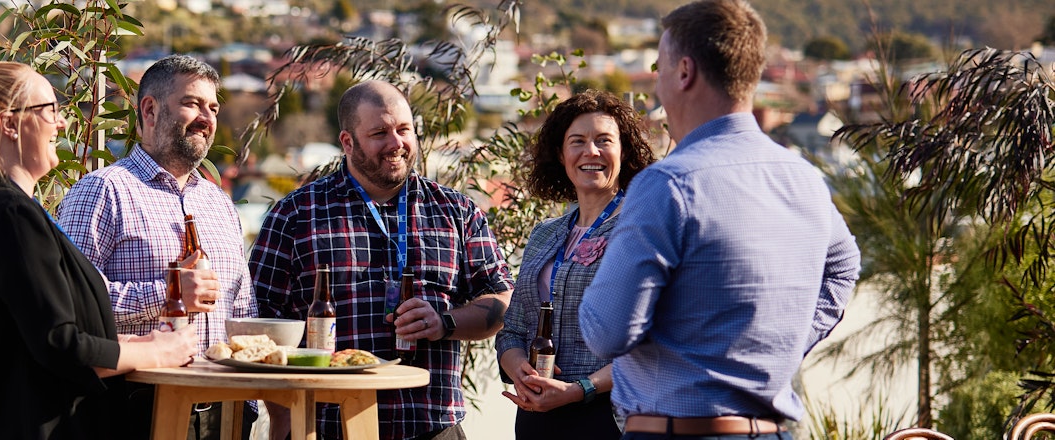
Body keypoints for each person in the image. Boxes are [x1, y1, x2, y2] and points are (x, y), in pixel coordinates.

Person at [577, 1, 862, 439]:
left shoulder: (667, 184)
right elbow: (844, 268)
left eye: (661, 66)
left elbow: (607, 333)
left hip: (678, 431)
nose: (657, 82)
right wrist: (777, 349)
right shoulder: (805, 179)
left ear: (685, 72)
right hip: (771, 432)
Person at [0, 61, 199, 440]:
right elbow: (61, 347)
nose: (61, 124)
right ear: (10, 124)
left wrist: (132, 342)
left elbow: (40, 333)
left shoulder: (10, 210)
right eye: (49, 110)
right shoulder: (10, 214)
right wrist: (160, 352)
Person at [249, 80, 515, 440]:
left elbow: (503, 299)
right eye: (379, 133)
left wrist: (444, 322)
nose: (396, 144)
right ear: (347, 142)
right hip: (324, 429)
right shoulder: (296, 215)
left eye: (404, 130)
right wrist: (285, 419)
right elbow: (259, 324)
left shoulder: (458, 211)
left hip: (433, 428)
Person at [57, 54, 258, 439]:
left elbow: (243, 307)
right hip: (134, 409)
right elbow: (72, 304)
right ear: (149, 110)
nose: (207, 117)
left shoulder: (220, 204)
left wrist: (247, 408)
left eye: (213, 107)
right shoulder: (102, 191)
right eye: (192, 103)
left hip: (225, 413)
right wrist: (168, 294)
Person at [495, 90, 657, 439]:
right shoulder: (544, 235)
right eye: (577, 141)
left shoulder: (643, 229)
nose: (591, 152)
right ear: (561, 153)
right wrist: (520, 370)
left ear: (624, 150)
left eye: (604, 141)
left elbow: (655, 343)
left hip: (609, 417)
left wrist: (579, 388)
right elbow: (512, 330)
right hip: (537, 415)